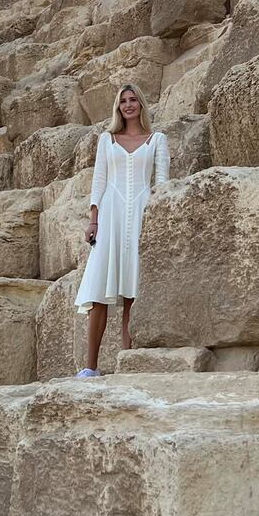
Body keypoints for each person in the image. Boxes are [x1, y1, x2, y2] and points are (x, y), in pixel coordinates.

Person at [73, 82, 170, 377]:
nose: (128, 105)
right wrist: (93, 218)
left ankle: (127, 364)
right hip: (111, 215)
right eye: (123, 101)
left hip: (142, 216)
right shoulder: (107, 140)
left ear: (141, 104)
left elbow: (163, 184)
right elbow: (99, 181)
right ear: (118, 107)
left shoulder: (157, 140)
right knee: (99, 291)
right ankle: (90, 367)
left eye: (133, 100)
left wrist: (159, 220)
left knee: (132, 294)